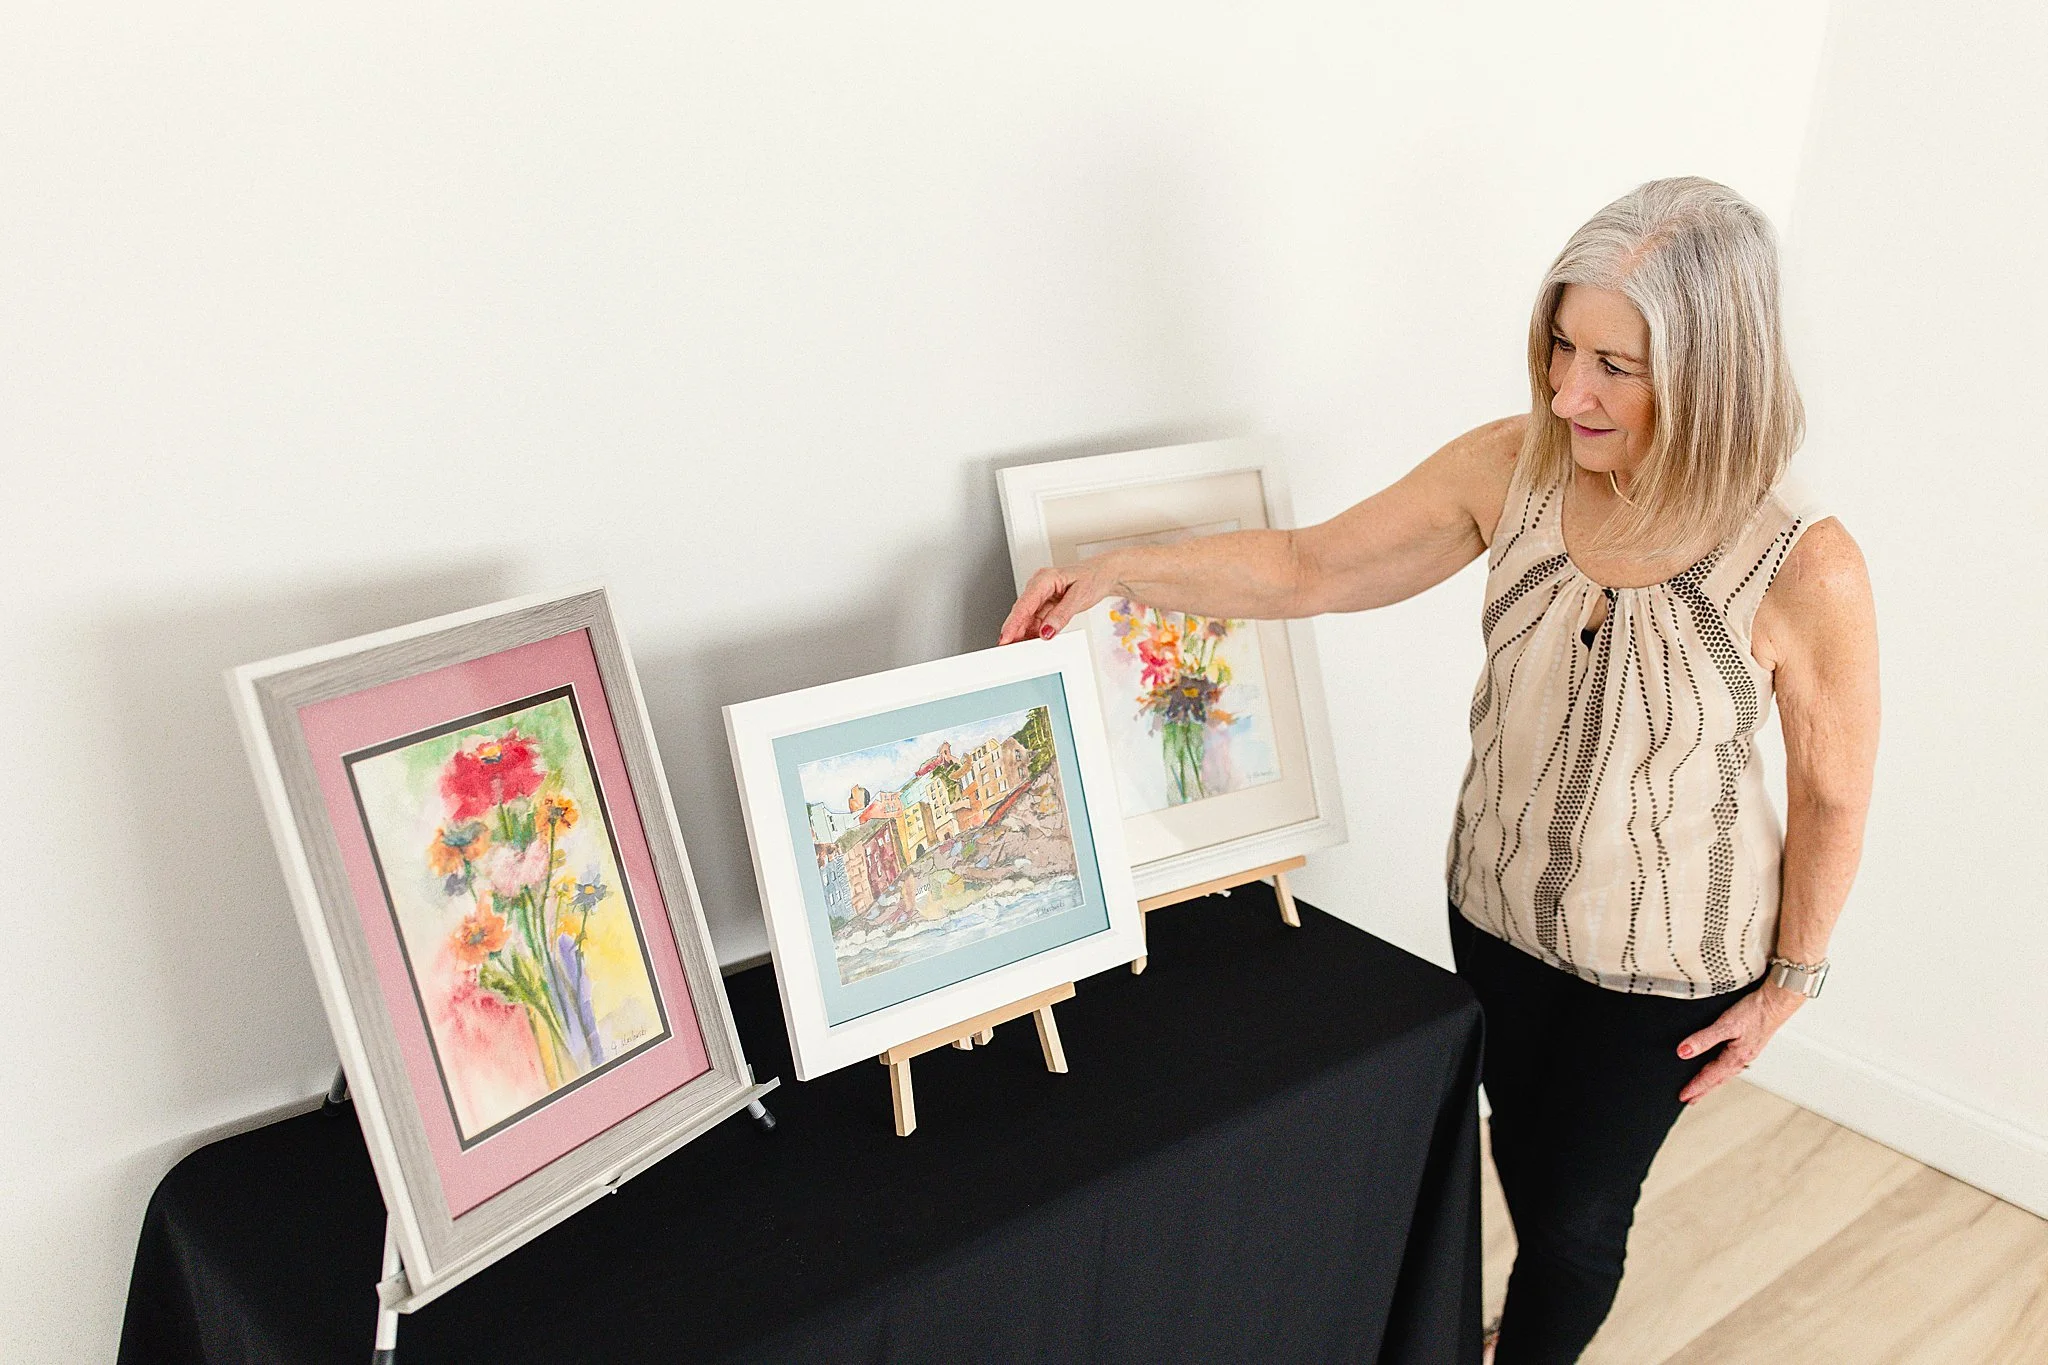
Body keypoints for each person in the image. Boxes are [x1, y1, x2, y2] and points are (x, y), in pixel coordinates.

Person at [998, 177, 1880, 1364]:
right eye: (1561, 347)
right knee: (1513, 1154)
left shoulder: (1801, 566)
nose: (1569, 391)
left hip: (1667, 973)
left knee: (1574, 1220)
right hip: (1492, 912)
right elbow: (1308, 568)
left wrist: (1791, 984)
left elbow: (1831, 788)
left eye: (1614, 365)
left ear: (1711, 368)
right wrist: (1121, 572)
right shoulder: (1510, 467)